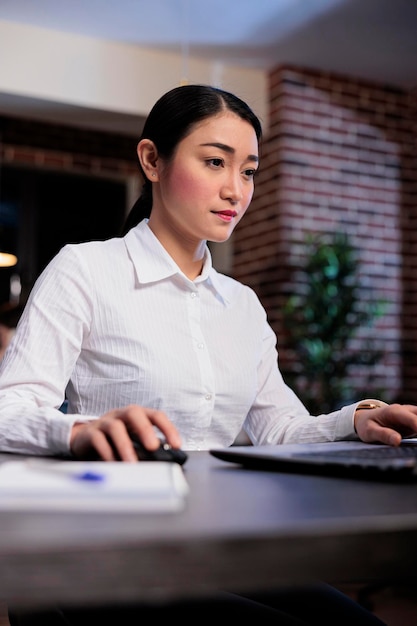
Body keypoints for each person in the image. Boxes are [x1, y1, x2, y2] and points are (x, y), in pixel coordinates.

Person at [1, 83, 413, 624]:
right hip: (113, 545)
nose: (235, 190)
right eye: (215, 162)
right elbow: (9, 411)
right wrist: (79, 431)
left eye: (247, 171)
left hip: (220, 540)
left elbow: (280, 430)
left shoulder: (241, 305)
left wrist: (355, 421)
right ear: (152, 160)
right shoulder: (85, 271)